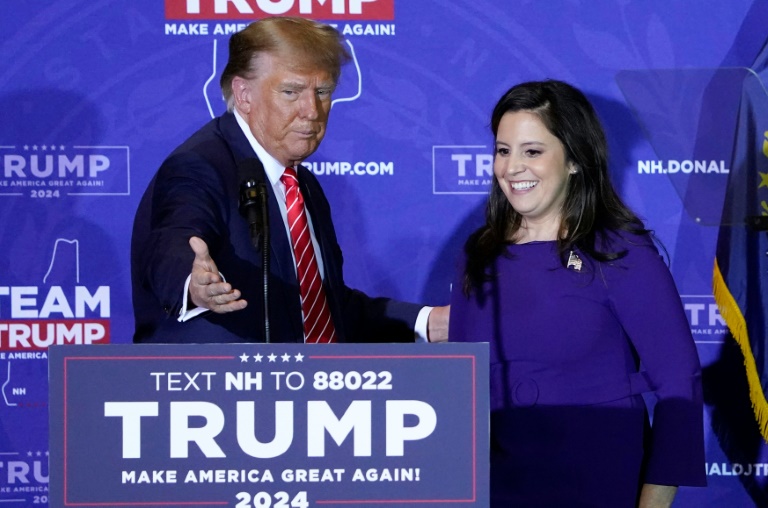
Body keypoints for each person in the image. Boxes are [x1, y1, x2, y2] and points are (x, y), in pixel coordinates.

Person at [449, 80, 705, 507]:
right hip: (499, 486)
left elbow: (679, 381)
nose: (512, 168)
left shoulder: (619, 252)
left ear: (573, 160)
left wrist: (654, 502)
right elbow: (459, 389)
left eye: (532, 151)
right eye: (503, 150)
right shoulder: (479, 254)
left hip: (599, 480)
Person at [131, 17, 448, 344]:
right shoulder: (200, 165)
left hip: (301, 387)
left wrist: (429, 322)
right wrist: (193, 283)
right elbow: (174, 239)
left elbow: (317, 310)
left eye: (322, 91)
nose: (312, 110)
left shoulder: (300, 183)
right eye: (291, 91)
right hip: (216, 387)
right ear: (243, 94)